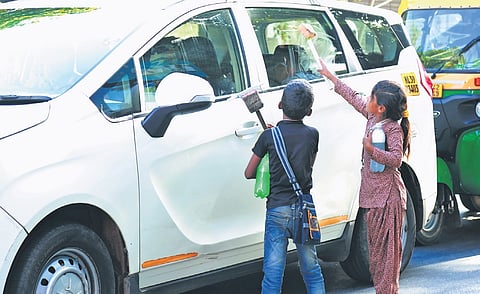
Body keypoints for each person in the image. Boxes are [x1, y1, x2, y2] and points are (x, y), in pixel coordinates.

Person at [318, 59, 410, 294]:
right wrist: (331, 76)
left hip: (388, 199)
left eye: (371, 98)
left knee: (388, 258)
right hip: (372, 197)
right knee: (376, 257)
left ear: (381, 108)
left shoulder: (392, 128)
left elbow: (396, 159)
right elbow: (353, 97)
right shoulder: (372, 119)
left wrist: (372, 151)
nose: (366, 100)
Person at [244, 79, 326, 294]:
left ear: (280, 105)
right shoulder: (312, 134)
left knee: (273, 274)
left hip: (277, 210)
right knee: (311, 268)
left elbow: (248, 173)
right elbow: (307, 167)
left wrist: (270, 147)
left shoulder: (268, 137)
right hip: (304, 210)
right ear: (309, 111)